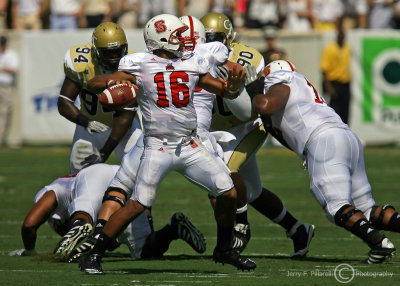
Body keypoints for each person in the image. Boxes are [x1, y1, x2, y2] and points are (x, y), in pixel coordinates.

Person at [78, 13, 256, 275]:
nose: (183, 40)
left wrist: (234, 86)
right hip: (157, 146)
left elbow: (223, 90)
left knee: (227, 192)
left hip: (190, 144)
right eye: (177, 36)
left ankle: (224, 249)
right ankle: (94, 254)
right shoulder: (139, 64)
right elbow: (95, 82)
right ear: (160, 39)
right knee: (138, 203)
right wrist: (113, 82)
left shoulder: (192, 61)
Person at [252, 59, 399, 264]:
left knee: (336, 207)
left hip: (324, 140)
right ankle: (380, 240)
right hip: (346, 137)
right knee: (366, 210)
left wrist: (253, 92)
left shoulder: (281, 80)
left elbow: (266, 105)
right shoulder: (302, 85)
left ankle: (379, 244)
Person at [200, 12, 314, 257]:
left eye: (215, 38)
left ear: (228, 37)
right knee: (251, 191)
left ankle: (240, 226)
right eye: (206, 38)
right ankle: (297, 229)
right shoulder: (194, 58)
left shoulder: (246, 57)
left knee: (223, 175)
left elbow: (248, 109)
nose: (210, 43)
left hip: (248, 125)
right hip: (220, 130)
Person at [8, 164, 206, 261]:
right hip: (122, 176)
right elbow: (110, 244)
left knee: (83, 216)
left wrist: (30, 251)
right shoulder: (62, 213)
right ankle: (173, 228)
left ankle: (80, 224)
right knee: (144, 252)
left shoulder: (52, 191)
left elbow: (29, 224)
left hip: (95, 176)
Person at [57, 22, 141, 174]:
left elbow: (127, 115)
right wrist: (86, 122)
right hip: (89, 125)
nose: (114, 58)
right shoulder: (82, 62)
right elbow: (64, 101)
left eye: (118, 51)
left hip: (125, 127)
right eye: (109, 53)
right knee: (78, 177)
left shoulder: (133, 65)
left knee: (139, 171)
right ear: (95, 51)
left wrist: (104, 153)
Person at [320, 25, 351, 124]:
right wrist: (328, 87)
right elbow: (324, 70)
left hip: (345, 83)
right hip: (334, 83)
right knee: (335, 111)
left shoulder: (347, 48)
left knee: (345, 111)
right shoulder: (330, 49)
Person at [0, 35, 18, 146]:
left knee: (3, 112)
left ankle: (0, 138)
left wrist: (2, 68)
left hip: (5, 86)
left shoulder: (11, 54)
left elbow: (13, 69)